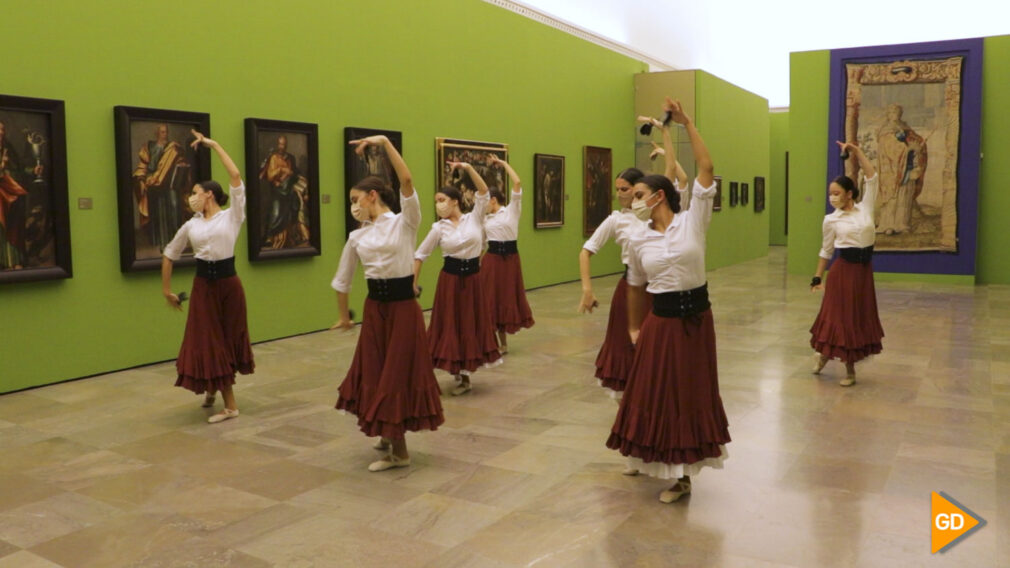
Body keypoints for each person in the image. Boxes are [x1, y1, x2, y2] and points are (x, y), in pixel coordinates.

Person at [606, 97, 730, 504]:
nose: (633, 199)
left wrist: (685, 123)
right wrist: (633, 327)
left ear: (658, 196)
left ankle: (684, 476)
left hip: (695, 321)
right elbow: (636, 286)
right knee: (656, 393)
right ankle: (656, 459)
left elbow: (706, 170)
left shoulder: (693, 221)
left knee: (689, 393)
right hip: (660, 322)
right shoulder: (639, 237)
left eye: (639, 193)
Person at [331, 134, 443, 472]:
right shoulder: (358, 235)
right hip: (375, 310)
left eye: (356, 199)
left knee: (396, 373)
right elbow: (343, 278)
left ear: (372, 196)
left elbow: (406, 180)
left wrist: (383, 142)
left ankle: (401, 453)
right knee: (376, 372)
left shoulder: (404, 223)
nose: (354, 206)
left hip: (403, 308)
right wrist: (344, 316)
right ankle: (387, 431)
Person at [579, 116, 687, 397]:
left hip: (659, 288)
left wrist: (665, 133)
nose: (620, 195)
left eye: (624, 189)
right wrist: (587, 289)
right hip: (629, 289)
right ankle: (627, 408)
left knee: (658, 349)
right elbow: (586, 251)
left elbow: (671, 174)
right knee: (625, 347)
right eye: (617, 190)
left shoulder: (654, 210)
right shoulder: (617, 220)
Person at [162, 130, 254, 424]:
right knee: (209, 341)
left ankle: (226, 403)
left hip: (229, 285)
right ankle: (224, 398)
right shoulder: (191, 225)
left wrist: (213, 145)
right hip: (203, 286)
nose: (191, 198)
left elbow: (237, 175)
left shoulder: (232, 215)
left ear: (209, 194)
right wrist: (167, 290)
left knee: (226, 338)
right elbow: (169, 254)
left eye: (195, 193)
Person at [414, 163, 501, 396]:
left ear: (455, 201)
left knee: (469, 324)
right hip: (450, 281)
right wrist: (412, 283)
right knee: (450, 325)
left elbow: (483, 191)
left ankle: (465, 375)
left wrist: (468, 168)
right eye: (436, 201)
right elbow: (420, 254)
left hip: (473, 280)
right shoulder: (438, 228)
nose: (439, 204)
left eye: (442, 199)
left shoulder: (474, 218)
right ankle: (452, 371)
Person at [810, 142, 884, 386]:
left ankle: (825, 358)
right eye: (830, 194)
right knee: (841, 318)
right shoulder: (831, 220)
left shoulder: (865, 209)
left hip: (863, 272)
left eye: (837, 193)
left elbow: (872, 177)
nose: (832, 198)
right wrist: (817, 278)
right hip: (843, 272)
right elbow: (826, 250)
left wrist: (856, 151)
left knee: (857, 317)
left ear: (849, 193)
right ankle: (846, 368)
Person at [481, 156, 534, 354]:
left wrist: (502, 164)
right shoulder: (484, 220)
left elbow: (517, 182)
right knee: (490, 300)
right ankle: (494, 342)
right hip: (491, 261)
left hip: (510, 260)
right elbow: (482, 245)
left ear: (493, 200)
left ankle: (503, 343)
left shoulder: (511, 211)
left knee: (505, 298)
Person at [135, 124, 189, 252]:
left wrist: (181, 165)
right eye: (162, 132)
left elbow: (180, 161)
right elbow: (143, 165)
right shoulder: (149, 147)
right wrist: (142, 178)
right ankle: (162, 243)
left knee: (173, 211)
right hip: (155, 187)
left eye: (166, 132)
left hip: (170, 185)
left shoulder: (174, 148)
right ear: (157, 133)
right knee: (159, 214)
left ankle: (176, 243)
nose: (165, 134)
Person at [875, 104, 927, 235]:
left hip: (906, 166)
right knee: (892, 196)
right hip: (891, 169)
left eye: (897, 112)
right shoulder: (885, 130)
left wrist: (918, 146)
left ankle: (902, 225)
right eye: (892, 112)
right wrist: (907, 148)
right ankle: (888, 225)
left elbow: (916, 141)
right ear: (888, 114)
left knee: (904, 195)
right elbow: (889, 147)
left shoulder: (905, 128)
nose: (895, 114)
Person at [0, 119, 41, 269]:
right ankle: (4, 262)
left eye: (3, 130)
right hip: (1, 198)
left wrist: (32, 171)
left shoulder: (9, 149)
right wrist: (2, 166)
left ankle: (16, 261)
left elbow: (20, 169)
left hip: (14, 194)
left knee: (14, 229)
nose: (1, 133)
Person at [259, 134, 304, 248]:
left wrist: (290, 174)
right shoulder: (273, 158)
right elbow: (270, 176)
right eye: (280, 144)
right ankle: (271, 237)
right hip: (277, 191)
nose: (282, 147)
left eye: (284, 144)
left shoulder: (290, 158)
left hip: (288, 190)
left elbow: (294, 173)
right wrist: (282, 169)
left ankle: (291, 238)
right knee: (276, 213)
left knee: (294, 208)